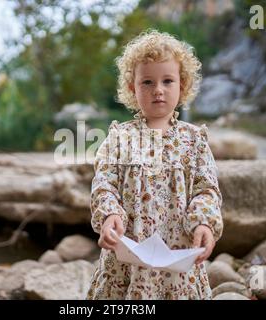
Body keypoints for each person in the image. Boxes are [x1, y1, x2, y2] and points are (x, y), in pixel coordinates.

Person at [86, 29, 223, 300]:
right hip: (129, 258)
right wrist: (109, 215)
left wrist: (204, 224)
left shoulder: (194, 140)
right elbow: (104, 183)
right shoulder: (120, 138)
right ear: (132, 88)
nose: (158, 90)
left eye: (168, 81)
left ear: (182, 86)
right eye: (147, 82)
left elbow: (206, 189)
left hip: (177, 259)